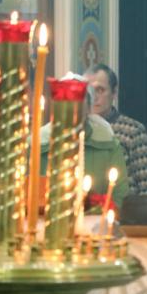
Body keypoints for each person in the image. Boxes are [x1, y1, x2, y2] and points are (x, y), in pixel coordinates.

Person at [40, 73, 130, 210]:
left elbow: (119, 199)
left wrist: (90, 208)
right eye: (65, 102)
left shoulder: (108, 145)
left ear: (88, 108)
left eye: (77, 101)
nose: (71, 109)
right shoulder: (37, 146)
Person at [84, 64, 147, 195]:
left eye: (100, 90)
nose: (94, 97)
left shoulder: (133, 131)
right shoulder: (77, 131)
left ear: (114, 93)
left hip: (125, 204)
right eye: (88, 91)